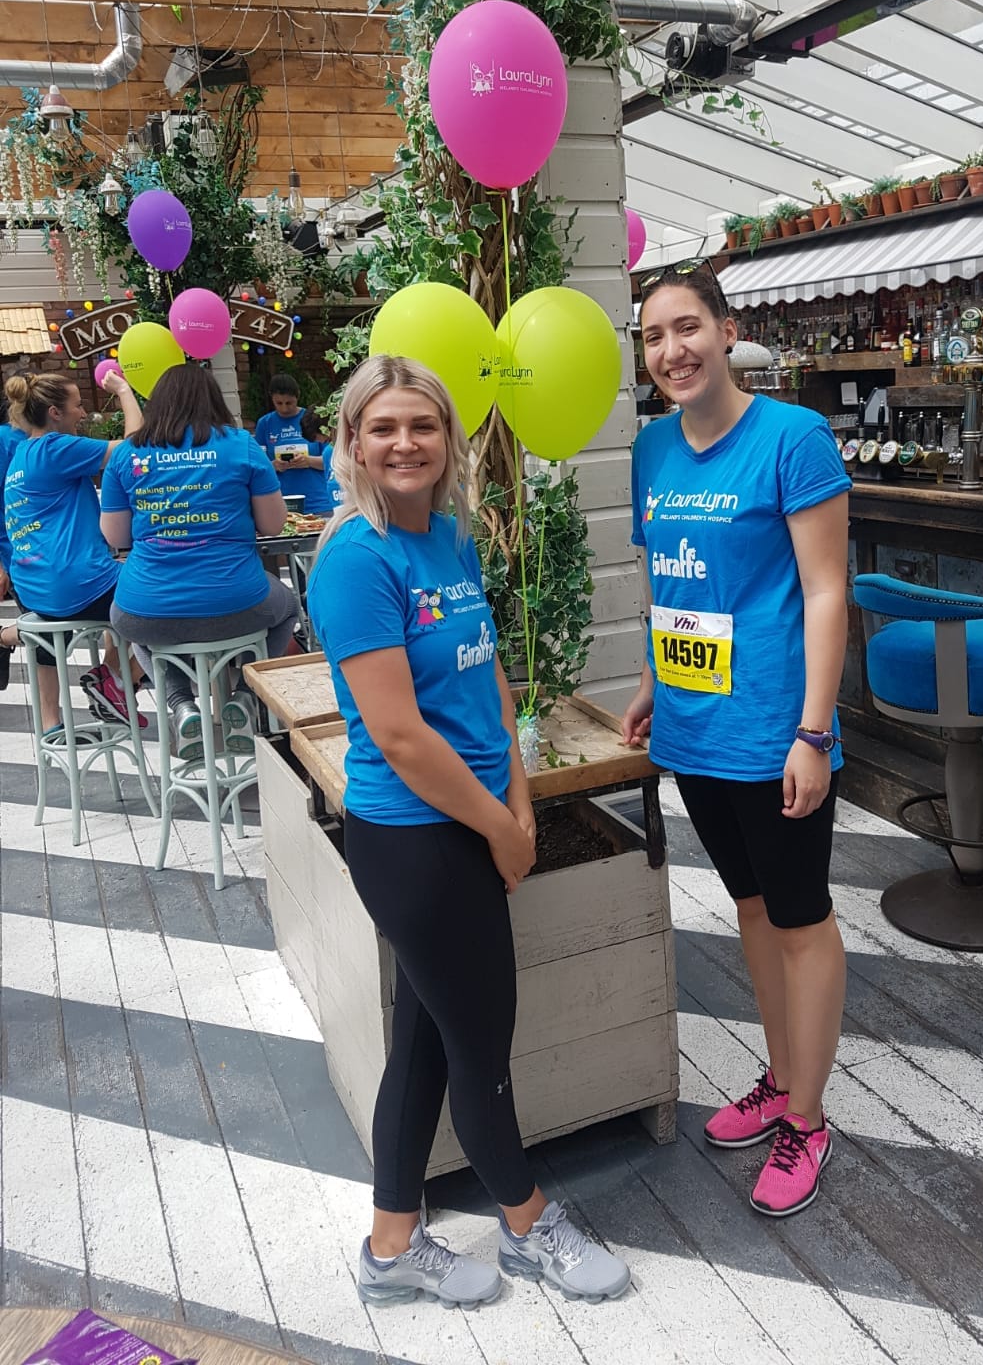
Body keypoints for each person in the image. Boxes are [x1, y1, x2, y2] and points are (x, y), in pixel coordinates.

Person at [307, 355, 630, 1310]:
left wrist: (519, 796)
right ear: (353, 442)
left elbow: (488, 677)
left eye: (424, 425)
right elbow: (400, 736)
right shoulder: (356, 561)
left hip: (476, 822)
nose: (405, 443)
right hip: (416, 842)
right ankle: (528, 1225)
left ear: (450, 440)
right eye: (383, 427)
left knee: (425, 1042)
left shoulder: (449, 536)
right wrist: (501, 829)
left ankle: (391, 1247)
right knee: (480, 1052)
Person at [621, 258, 851, 1219]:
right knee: (753, 908)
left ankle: (808, 1118)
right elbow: (670, 579)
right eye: (653, 336)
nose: (672, 350)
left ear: (726, 330)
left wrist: (813, 733)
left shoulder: (793, 437)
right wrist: (650, 682)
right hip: (694, 726)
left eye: (687, 327)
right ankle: (781, 1075)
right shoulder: (651, 450)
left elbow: (827, 592)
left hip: (773, 729)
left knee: (800, 917)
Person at [100, 363, 296, 754]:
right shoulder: (240, 445)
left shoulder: (128, 454)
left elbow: (115, 537)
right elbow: (274, 526)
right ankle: (245, 696)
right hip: (237, 602)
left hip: (147, 606)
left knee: (132, 624)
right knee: (288, 607)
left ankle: (181, 704)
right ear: (213, 400)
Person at [1, 370, 146, 734]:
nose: (83, 413)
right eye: (78, 406)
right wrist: (123, 390)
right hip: (74, 585)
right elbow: (135, 447)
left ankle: (69, 699)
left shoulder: (22, 455)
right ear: (54, 413)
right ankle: (116, 678)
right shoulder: (55, 448)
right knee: (167, 588)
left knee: (122, 583)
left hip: (34, 587)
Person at [253, 372, 327, 513]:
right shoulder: (265, 424)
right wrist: (273, 465)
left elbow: (331, 461)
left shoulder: (311, 419)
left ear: (297, 396)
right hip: (281, 501)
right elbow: (258, 465)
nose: (284, 408)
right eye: (279, 403)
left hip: (317, 501)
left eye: (289, 403)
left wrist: (308, 461)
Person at [0, 404, 28, 689]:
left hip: (47, 554)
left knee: (50, 639)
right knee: (48, 635)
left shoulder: (51, 439)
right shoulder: (4, 438)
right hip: (15, 554)